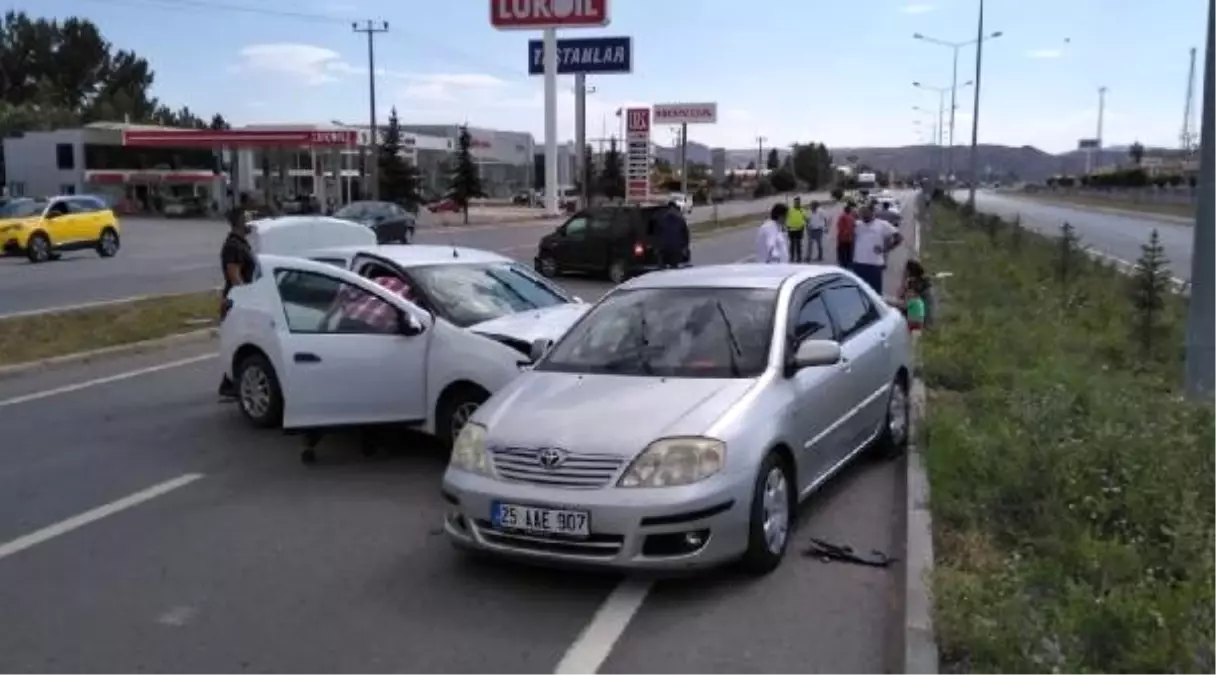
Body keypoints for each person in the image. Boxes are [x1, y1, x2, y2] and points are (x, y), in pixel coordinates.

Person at [217, 208, 258, 399]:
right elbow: (234, 275)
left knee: (242, 340)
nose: (252, 222)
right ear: (240, 222)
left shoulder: (241, 243)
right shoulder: (233, 246)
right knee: (237, 341)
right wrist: (247, 296)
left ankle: (230, 382)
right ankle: (229, 384)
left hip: (239, 299)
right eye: (249, 218)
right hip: (236, 301)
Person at [852, 206, 903, 294]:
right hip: (858, 264)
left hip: (874, 265)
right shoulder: (857, 225)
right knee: (859, 292)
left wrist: (885, 249)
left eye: (866, 214)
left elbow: (899, 238)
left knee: (875, 293)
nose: (864, 216)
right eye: (862, 214)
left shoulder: (883, 225)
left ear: (872, 213)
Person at [656, 199, 691, 268]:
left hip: (665, 249)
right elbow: (686, 235)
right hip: (676, 249)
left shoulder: (662, 219)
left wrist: (658, 248)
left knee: (663, 267)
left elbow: (657, 234)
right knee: (674, 266)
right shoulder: (680, 220)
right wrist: (684, 248)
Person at [834, 201, 857, 270]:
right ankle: (848, 263)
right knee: (848, 251)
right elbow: (854, 226)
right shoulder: (852, 217)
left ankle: (843, 263)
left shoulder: (842, 217)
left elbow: (839, 226)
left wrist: (843, 233)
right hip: (849, 238)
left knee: (842, 251)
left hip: (843, 238)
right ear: (849, 211)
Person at [785, 197, 808, 263]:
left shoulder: (802, 210)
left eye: (798, 202)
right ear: (794, 202)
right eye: (796, 202)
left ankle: (799, 258)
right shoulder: (790, 210)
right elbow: (785, 218)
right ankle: (792, 257)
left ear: (800, 202)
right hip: (791, 229)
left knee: (798, 244)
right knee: (792, 244)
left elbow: (806, 219)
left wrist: (806, 224)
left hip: (799, 230)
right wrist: (785, 226)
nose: (797, 203)